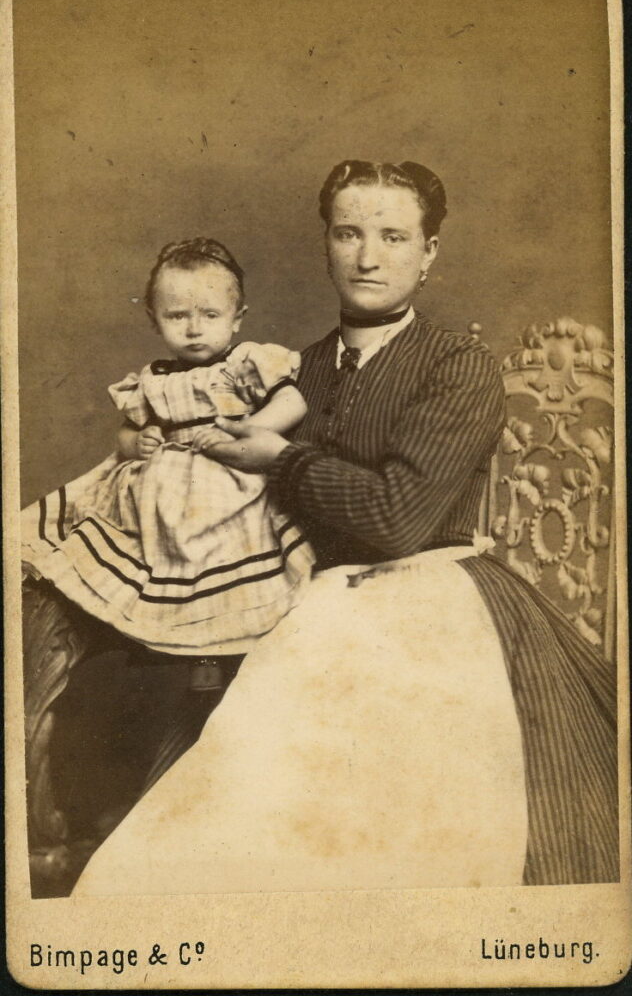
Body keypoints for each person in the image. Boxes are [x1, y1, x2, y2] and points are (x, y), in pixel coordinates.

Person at [73, 161, 618, 895]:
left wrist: (279, 459)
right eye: (349, 233)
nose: (368, 256)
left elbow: (399, 519)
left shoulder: (457, 364)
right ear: (327, 245)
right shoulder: (289, 369)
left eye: (393, 236)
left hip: (438, 601)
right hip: (311, 600)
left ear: (428, 253)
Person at [21, 238, 315, 656]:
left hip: (229, 481)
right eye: (177, 316)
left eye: (210, 314)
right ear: (154, 320)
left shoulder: (243, 363)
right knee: (133, 538)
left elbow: (292, 402)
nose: (194, 328)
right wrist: (136, 442)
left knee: (228, 549)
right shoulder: (153, 378)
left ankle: (214, 641)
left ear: (236, 319)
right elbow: (125, 434)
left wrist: (244, 430)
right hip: (160, 499)